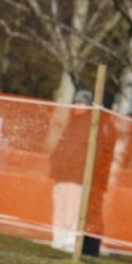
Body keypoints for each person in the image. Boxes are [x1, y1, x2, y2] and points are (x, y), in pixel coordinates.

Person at [49, 89, 93, 253]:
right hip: (62, 174)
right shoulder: (71, 121)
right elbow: (62, 147)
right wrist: (55, 163)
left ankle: (69, 242)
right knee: (60, 207)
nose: (78, 106)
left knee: (73, 209)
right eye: (76, 102)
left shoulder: (90, 125)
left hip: (77, 176)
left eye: (82, 103)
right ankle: (58, 240)